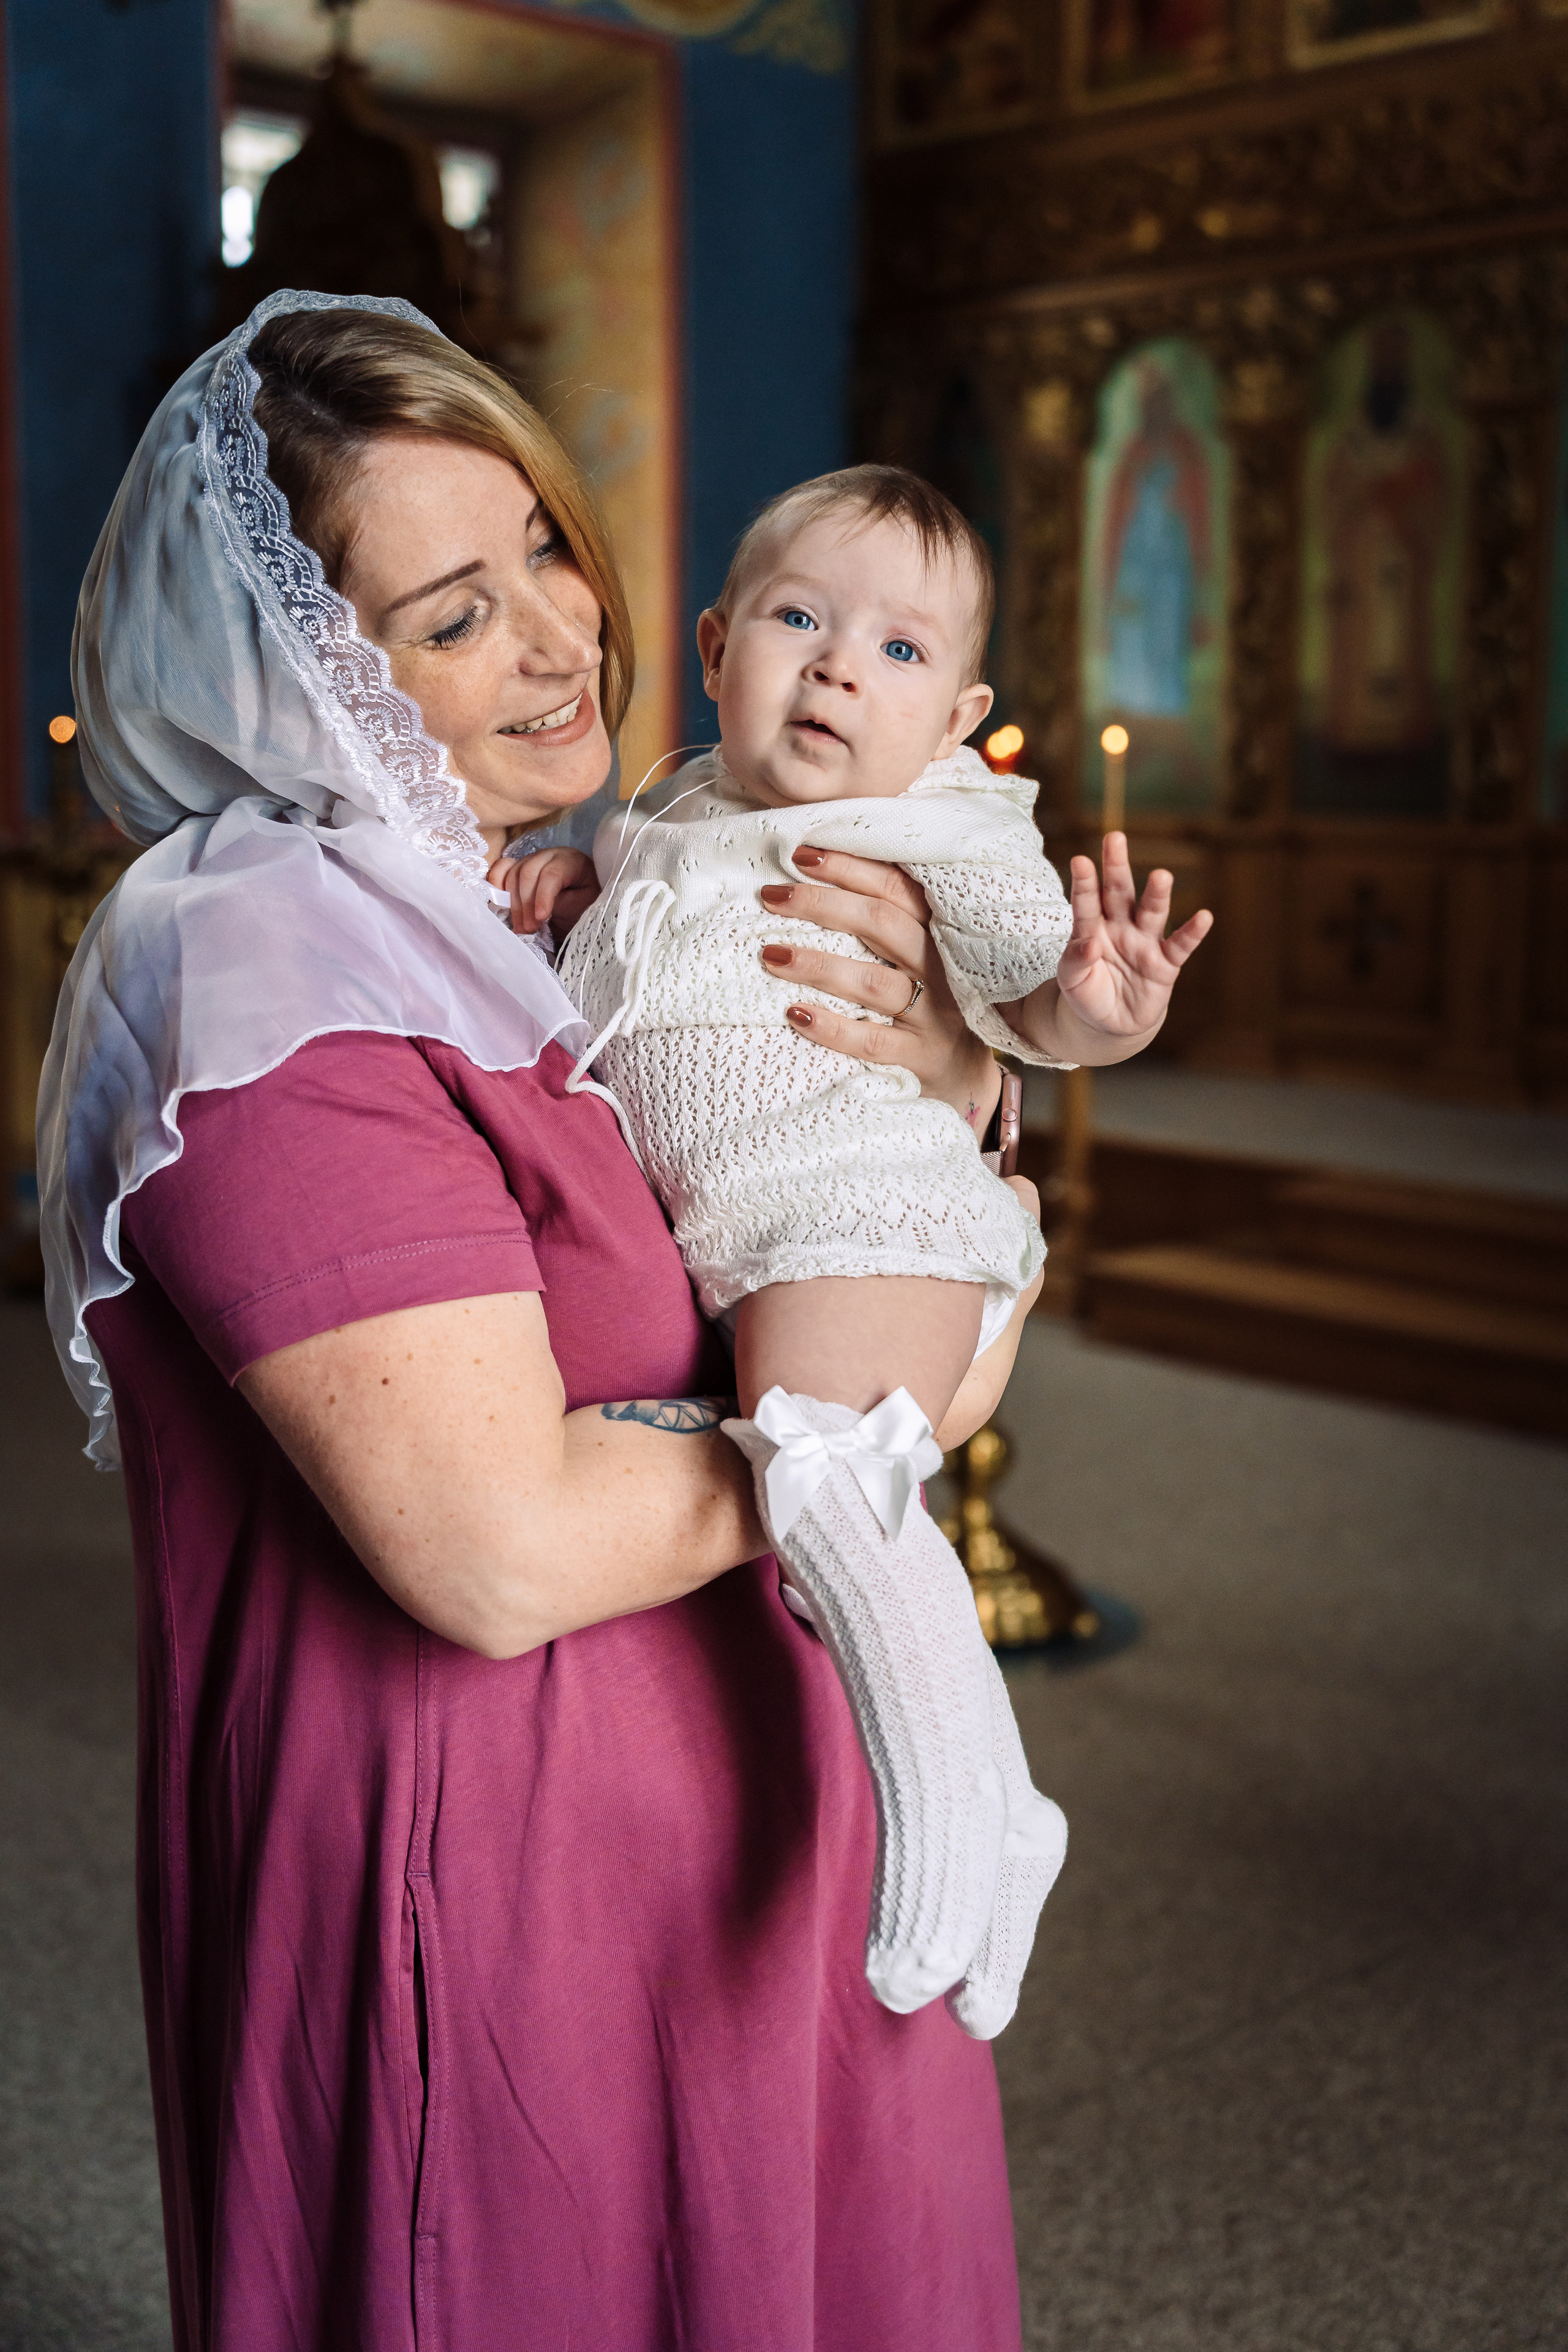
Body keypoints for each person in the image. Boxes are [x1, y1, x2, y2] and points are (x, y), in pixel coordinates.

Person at [37, 293, 1044, 2349]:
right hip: (497, 1895)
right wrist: (917, 1407)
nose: (561, 640)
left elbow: (797, 1185)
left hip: (753, 1823)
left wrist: (949, 1073)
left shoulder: (542, 902)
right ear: (296, 677)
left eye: (547, 558)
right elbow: (496, 1552)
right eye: (449, 615)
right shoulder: (265, 988)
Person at [500, 464, 1213, 2037]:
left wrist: (1096, 1007)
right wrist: (570, 888)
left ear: (956, 718)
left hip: (861, 1202)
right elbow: (634, 930)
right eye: (800, 620)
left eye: (898, 653)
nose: (837, 665)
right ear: (713, 645)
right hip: (741, 1227)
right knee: (821, 1519)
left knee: (823, 1471)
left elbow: (1032, 996)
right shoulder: (674, 807)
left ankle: (966, 1807)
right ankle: (987, 1796)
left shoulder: (943, 828)